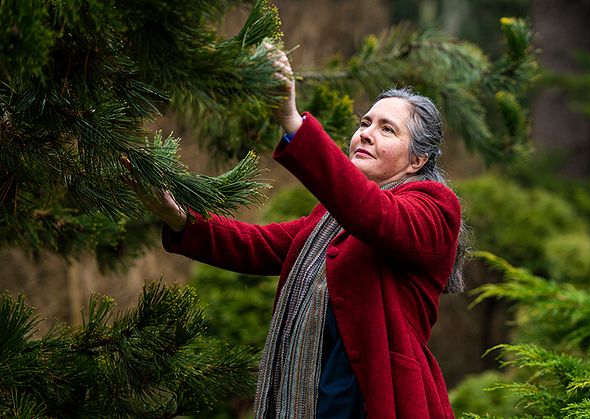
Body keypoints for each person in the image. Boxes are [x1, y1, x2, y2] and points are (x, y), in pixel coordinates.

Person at [132, 48, 468, 418]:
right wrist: (179, 217)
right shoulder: (330, 219)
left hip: (378, 402)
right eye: (364, 123)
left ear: (417, 160)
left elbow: (375, 215)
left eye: (387, 129)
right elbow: (258, 245)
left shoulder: (435, 207)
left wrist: (293, 122)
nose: (366, 134)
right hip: (311, 399)